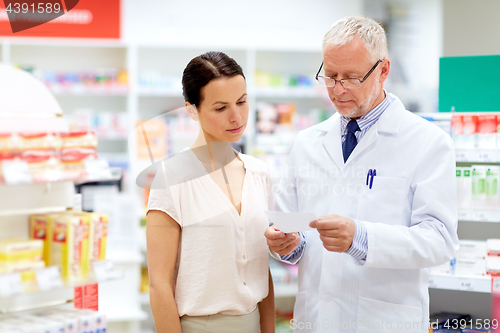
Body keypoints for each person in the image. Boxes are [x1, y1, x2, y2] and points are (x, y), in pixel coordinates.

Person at [265, 16, 459, 333]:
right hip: (316, 319)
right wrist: (285, 242)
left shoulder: (428, 143)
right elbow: (291, 222)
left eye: (352, 78)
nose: (338, 90)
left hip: (383, 321)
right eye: (330, 76)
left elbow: (440, 240)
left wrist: (361, 237)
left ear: (383, 70)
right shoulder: (307, 142)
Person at [146, 51, 275, 333]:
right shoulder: (172, 178)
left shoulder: (259, 173)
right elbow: (159, 285)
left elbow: (260, 267)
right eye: (220, 108)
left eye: (242, 102)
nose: (236, 116)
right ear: (192, 109)